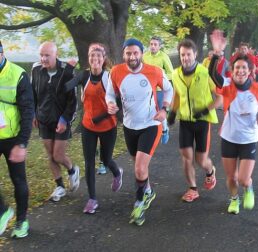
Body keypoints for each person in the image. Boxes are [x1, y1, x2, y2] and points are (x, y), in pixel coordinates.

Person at [106, 38, 173, 226]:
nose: (132, 56)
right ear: (123, 54)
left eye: (135, 53)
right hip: (129, 126)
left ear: (141, 53)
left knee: (139, 168)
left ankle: (139, 203)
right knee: (139, 166)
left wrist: (164, 109)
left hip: (151, 124)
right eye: (128, 53)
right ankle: (149, 191)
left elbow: (169, 90)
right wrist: (110, 103)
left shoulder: (154, 71)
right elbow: (110, 93)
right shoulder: (116, 72)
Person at [209, 30, 258, 214]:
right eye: (237, 68)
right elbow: (212, 74)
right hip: (229, 138)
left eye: (244, 68)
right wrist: (217, 54)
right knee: (231, 178)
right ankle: (234, 199)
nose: (240, 71)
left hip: (249, 139)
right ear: (233, 70)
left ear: (250, 71)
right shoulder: (227, 86)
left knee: (244, 179)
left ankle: (248, 188)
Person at [64, 43, 123, 214]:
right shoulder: (84, 76)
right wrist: (68, 69)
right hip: (88, 126)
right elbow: (66, 87)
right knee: (89, 162)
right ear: (88, 58)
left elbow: (118, 101)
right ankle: (92, 199)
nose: (95, 59)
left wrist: (103, 116)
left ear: (103, 59)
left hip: (107, 126)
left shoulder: (109, 78)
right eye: (92, 56)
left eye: (98, 56)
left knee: (105, 159)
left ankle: (117, 172)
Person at [168, 39, 222, 202]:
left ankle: (210, 171)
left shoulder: (205, 73)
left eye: (188, 54)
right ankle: (192, 188)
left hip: (203, 121)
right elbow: (177, 94)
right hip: (185, 120)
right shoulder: (175, 73)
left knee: (201, 160)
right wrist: (173, 112)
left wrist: (205, 110)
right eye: (182, 54)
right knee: (186, 156)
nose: (185, 58)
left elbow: (220, 98)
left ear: (195, 54)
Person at [31, 41, 80, 202]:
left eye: (47, 55)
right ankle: (59, 186)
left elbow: (73, 101)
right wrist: (33, 114)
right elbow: (32, 95)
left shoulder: (67, 71)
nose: (43, 59)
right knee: (50, 156)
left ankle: (72, 170)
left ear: (56, 55)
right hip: (44, 120)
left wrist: (65, 119)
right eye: (41, 55)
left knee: (58, 155)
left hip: (62, 121)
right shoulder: (36, 70)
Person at [0, 40, 33, 238]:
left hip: (13, 138)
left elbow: (28, 111)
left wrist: (22, 143)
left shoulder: (18, 75)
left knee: (18, 180)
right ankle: (3, 210)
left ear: (2, 53)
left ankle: (22, 221)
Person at [143, 36, 174, 144]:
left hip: (159, 89)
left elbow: (171, 73)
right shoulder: (144, 56)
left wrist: (161, 75)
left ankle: (165, 130)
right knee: (147, 111)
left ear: (159, 46)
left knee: (160, 111)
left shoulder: (163, 57)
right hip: (146, 88)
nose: (152, 46)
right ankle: (149, 132)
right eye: (151, 44)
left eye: (155, 44)